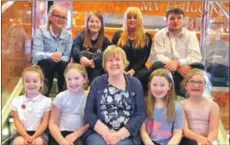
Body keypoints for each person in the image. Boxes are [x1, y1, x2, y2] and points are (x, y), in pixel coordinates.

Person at [84, 45, 145, 145]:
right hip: (100, 133)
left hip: (126, 134)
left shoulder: (135, 84)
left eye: (118, 59)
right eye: (110, 60)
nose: (114, 63)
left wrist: (119, 135)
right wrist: (106, 132)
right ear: (105, 64)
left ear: (124, 63)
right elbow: (88, 112)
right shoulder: (97, 83)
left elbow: (140, 114)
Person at [149, 7, 204, 97]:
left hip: (185, 68)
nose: (176, 21)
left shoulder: (191, 35)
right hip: (167, 68)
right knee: (157, 65)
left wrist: (179, 63)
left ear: (183, 20)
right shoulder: (160, 35)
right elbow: (157, 55)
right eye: (172, 18)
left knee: (199, 66)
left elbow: (195, 56)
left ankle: (182, 95)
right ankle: (172, 94)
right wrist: (177, 68)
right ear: (166, 20)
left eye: (179, 18)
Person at [32, 5, 72, 96]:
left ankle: (63, 96)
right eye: (57, 16)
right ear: (51, 17)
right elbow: (35, 54)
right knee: (48, 63)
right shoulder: (41, 31)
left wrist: (58, 58)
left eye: (63, 17)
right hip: (44, 65)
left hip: (60, 64)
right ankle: (42, 95)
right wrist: (51, 56)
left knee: (65, 66)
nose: (60, 19)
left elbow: (67, 56)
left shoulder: (68, 35)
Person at [112, 7, 152, 91]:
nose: (132, 20)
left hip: (138, 68)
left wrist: (133, 70)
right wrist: (121, 69)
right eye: (129, 17)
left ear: (139, 20)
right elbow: (113, 54)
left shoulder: (146, 37)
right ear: (125, 20)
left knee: (143, 76)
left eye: (135, 17)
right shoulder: (118, 35)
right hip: (120, 66)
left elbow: (144, 58)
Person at [140, 68, 184, 145]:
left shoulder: (177, 107)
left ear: (169, 86)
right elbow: (143, 131)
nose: (158, 89)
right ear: (149, 85)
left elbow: (177, 134)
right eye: (154, 85)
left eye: (162, 85)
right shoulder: (144, 104)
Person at [49, 63, 89, 145]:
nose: (72, 82)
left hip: (79, 135)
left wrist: (75, 135)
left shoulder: (89, 97)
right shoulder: (60, 97)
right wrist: (62, 141)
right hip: (60, 134)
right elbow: (53, 123)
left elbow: (91, 123)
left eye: (76, 78)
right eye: (69, 79)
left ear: (84, 78)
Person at [10, 65, 51, 145]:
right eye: (27, 81)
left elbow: (44, 123)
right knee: (19, 142)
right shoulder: (16, 101)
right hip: (21, 133)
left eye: (35, 81)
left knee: (38, 142)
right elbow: (17, 121)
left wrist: (34, 137)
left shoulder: (47, 101)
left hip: (39, 133)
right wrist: (25, 136)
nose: (31, 84)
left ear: (41, 83)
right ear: (23, 83)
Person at [180, 69, 220, 145]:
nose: (196, 85)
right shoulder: (181, 105)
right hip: (188, 140)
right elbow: (185, 130)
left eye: (200, 82)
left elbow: (213, 132)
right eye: (192, 82)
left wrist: (206, 142)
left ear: (205, 86)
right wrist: (199, 138)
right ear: (186, 85)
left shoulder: (213, 106)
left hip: (207, 140)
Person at [71, 11, 110, 83]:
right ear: (87, 23)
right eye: (91, 21)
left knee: (99, 55)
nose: (94, 24)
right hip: (82, 67)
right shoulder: (80, 36)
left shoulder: (105, 40)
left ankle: (93, 85)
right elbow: (74, 49)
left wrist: (94, 61)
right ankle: (82, 83)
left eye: (97, 22)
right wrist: (81, 58)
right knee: (84, 53)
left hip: (98, 71)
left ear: (101, 25)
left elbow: (108, 54)